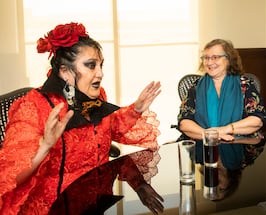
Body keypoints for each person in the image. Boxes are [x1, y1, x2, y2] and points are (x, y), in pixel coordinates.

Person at [0, 22, 162, 214]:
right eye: (91, 65)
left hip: (97, 201)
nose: (100, 73)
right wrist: (44, 145)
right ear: (65, 71)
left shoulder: (97, 95)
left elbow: (111, 127)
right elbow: (9, 178)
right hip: (54, 207)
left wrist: (136, 109)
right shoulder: (33, 106)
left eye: (101, 65)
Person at [177, 38, 266, 171]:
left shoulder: (245, 85)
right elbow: (184, 122)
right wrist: (209, 135)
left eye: (215, 57)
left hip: (240, 144)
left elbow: (257, 120)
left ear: (229, 59)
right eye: (206, 58)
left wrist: (221, 131)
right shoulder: (196, 87)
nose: (209, 62)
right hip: (202, 147)